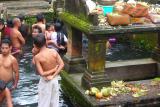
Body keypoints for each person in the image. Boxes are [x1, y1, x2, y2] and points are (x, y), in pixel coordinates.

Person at [33, 33, 64, 107]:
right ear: (45, 42)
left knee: (43, 103)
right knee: (54, 103)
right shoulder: (53, 51)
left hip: (45, 81)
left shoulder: (37, 57)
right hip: (54, 80)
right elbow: (62, 64)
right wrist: (54, 74)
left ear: (36, 45)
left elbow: (42, 73)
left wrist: (52, 71)